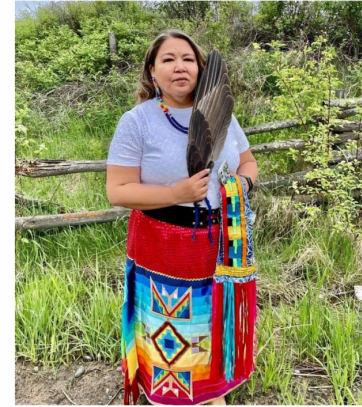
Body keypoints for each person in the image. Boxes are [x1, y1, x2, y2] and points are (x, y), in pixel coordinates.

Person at [106, 29, 259, 406]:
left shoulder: (221, 116)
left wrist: (239, 186)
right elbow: (118, 190)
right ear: (152, 71)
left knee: (212, 320)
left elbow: (248, 163)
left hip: (220, 244)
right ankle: (170, 394)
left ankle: (211, 393)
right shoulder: (137, 122)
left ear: (200, 69)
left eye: (188, 59)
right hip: (162, 248)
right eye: (168, 59)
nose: (180, 67)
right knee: (169, 327)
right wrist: (176, 194)